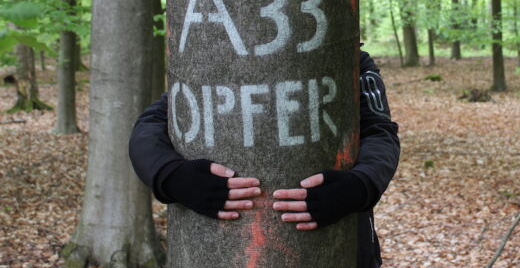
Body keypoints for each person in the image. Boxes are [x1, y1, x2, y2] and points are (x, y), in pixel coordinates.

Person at [129, 50, 399, 268]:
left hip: (348, 245)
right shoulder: (212, 59)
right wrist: (172, 177)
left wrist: (359, 186)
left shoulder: (351, 60)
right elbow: (148, 126)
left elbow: (380, 131)